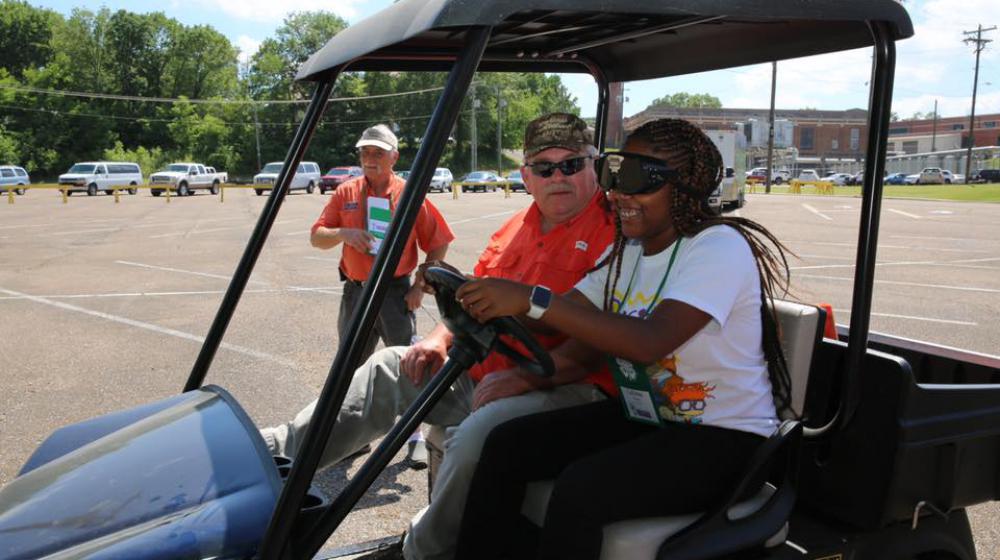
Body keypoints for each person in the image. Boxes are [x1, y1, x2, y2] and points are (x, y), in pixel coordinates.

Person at [261, 113, 618, 560]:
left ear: (594, 166)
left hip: (567, 387)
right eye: (544, 168)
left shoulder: (615, 235)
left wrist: (528, 380)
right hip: (490, 370)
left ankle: (423, 552)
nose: (558, 177)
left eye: (572, 165)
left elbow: (598, 341)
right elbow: (471, 298)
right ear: (526, 176)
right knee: (389, 366)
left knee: (477, 434)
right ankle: (266, 461)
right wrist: (436, 340)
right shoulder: (516, 228)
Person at [451, 118, 794, 560]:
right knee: (506, 444)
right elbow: (558, 317)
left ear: (684, 186)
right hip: (651, 417)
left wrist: (528, 298)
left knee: (581, 491)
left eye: (636, 180)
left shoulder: (716, 247)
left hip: (724, 440)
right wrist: (477, 298)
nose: (617, 194)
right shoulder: (628, 251)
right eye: (614, 176)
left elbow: (650, 341)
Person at [311, 123, 454, 359]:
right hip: (355, 293)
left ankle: (403, 398)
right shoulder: (346, 192)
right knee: (348, 366)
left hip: (395, 294)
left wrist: (419, 286)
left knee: (405, 364)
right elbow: (317, 237)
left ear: (394, 157)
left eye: (378, 153)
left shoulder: (409, 195)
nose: (369, 158)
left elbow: (440, 242)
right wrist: (343, 234)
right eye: (364, 152)